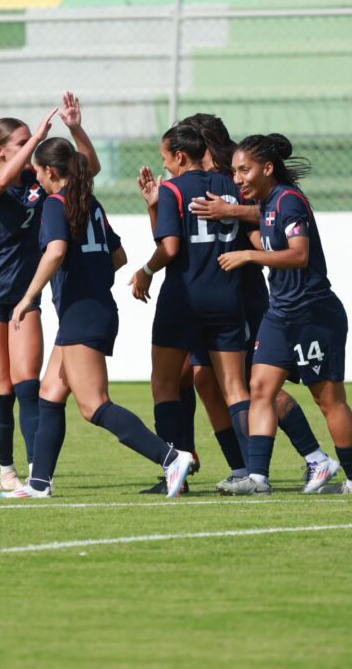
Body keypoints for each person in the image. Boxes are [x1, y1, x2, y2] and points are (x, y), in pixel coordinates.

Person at [2, 137, 193, 498]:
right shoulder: (89, 203)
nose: (36, 178)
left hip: (83, 315)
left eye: (38, 171)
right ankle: (39, 483)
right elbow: (118, 257)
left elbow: (56, 251)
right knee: (50, 393)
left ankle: (170, 458)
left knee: (93, 405)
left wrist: (28, 297)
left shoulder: (56, 205)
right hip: (92, 310)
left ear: (51, 171)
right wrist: (89, 274)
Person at [218, 133, 352, 495]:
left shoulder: (289, 202)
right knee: (260, 388)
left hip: (312, 315)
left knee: (328, 400)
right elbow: (267, 238)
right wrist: (244, 235)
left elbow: (298, 255)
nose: (237, 178)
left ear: (267, 168)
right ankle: (257, 479)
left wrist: (248, 256)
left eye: (244, 170)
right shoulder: (268, 205)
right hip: (280, 314)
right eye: (234, 171)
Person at [0, 92, 100, 492]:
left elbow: (87, 168)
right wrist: (39, 132)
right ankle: (6, 471)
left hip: (25, 297)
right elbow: (1, 180)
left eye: (32, 141)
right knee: (2, 387)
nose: (31, 147)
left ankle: (37, 473)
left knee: (30, 386)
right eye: (21, 143)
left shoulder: (36, 181)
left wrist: (74, 129)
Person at [129, 124, 255, 488]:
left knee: (165, 384)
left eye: (165, 157)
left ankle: (176, 474)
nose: (164, 164)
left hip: (183, 299)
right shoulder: (231, 188)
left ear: (180, 156)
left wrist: (145, 271)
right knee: (234, 387)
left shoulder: (173, 189)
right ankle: (249, 470)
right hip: (227, 297)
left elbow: (169, 248)